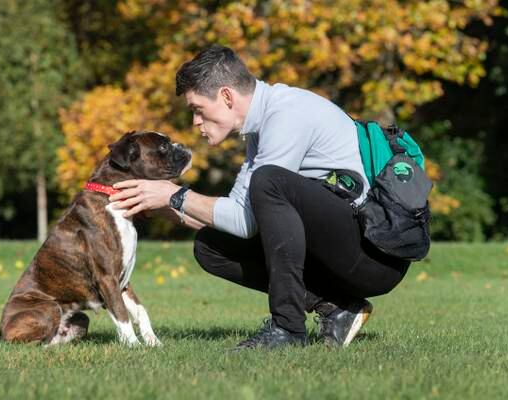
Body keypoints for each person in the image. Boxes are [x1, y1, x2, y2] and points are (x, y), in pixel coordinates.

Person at [109, 45, 410, 350]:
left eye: (197, 109)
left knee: (269, 182)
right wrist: (163, 205)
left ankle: (288, 329)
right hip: (347, 247)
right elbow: (241, 219)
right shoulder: (261, 127)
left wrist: (173, 194)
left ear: (226, 97)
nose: (195, 122)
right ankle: (337, 308)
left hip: (376, 255)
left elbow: (244, 218)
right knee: (212, 246)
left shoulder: (286, 115)